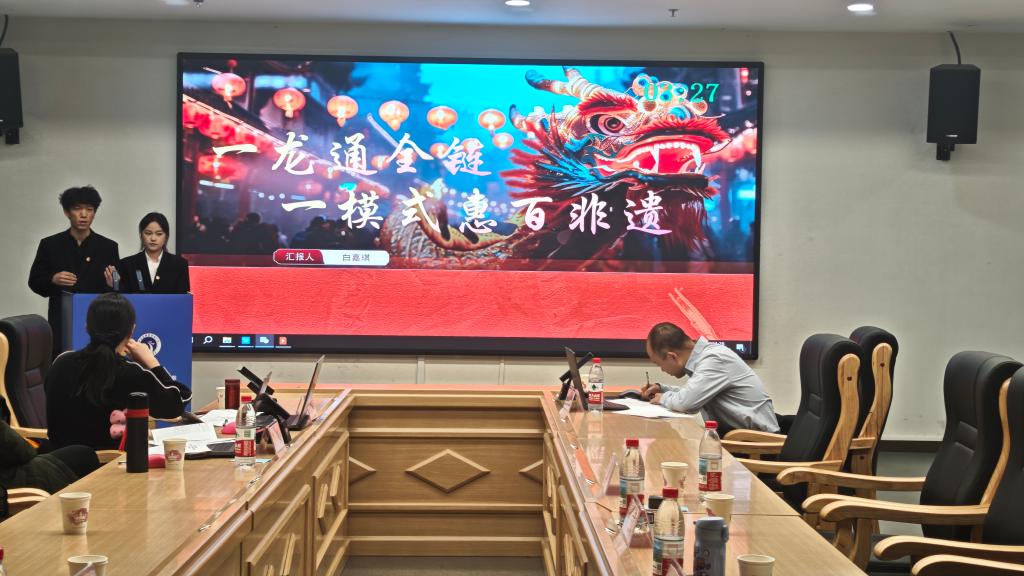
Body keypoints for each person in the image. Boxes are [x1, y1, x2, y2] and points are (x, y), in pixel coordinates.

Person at [44, 293, 192, 450]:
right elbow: (178, 402)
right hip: (112, 462)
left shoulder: (61, 362)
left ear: (87, 326)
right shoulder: (130, 373)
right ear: (131, 330)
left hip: (57, 460)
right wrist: (152, 362)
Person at [28, 186, 120, 357]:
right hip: (62, 320)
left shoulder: (108, 247)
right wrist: (52, 279)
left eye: (89, 209)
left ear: (94, 213)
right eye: (77, 208)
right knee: (62, 363)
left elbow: (117, 288)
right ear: (66, 212)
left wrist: (113, 284)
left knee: (98, 364)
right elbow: (34, 281)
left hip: (97, 321)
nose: (83, 214)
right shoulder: (50, 244)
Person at [642, 322, 779, 434]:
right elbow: (691, 393)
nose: (662, 370)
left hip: (758, 445)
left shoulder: (714, 360)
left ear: (672, 357)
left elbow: (685, 403)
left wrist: (662, 398)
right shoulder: (707, 355)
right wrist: (662, 389)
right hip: (742, 437)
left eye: (659, 364)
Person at [0, 399, 100, 494]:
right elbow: (23, 453)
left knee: (52, 446)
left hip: (11, 470)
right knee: (84, 455)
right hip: (12, 482)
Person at [114, 212, 190, 293]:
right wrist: (115, 285)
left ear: (166, 236)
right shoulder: (127, 264)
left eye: (159, 234)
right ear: (141, 235)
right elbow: (122, 297)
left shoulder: (179, 264)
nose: (153, 238)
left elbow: (183, 298)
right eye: (148, 233)